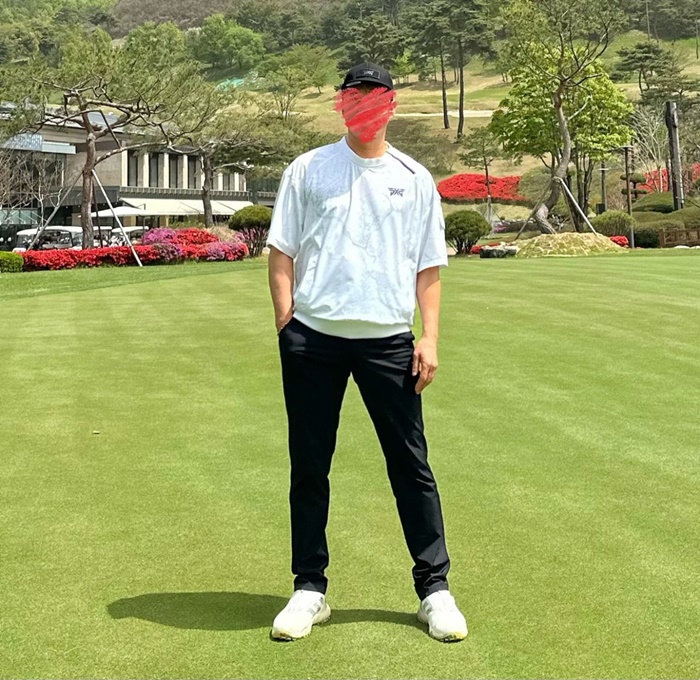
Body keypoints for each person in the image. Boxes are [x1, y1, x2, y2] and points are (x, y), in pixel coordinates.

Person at [267, 63, 467, 643]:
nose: (365, 108)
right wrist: (286, 324)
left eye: (375, 97)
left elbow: (428, 266)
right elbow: (281, 251)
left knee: (410, 464)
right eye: (354, 97)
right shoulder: (308, 168)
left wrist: (429, 336)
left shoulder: (414, 177)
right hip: (314, 340)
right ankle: (309, 588)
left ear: (391, 105)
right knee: (310, 465)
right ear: (342, 104)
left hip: (387, 339)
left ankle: (435, 590)